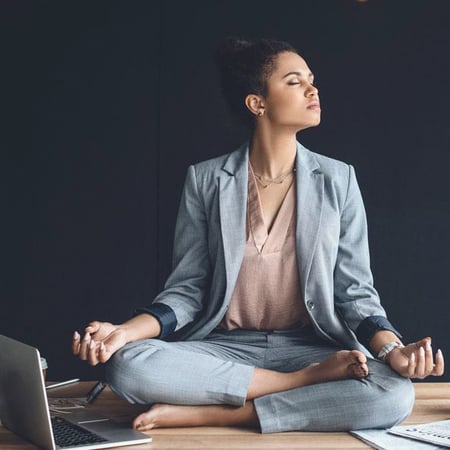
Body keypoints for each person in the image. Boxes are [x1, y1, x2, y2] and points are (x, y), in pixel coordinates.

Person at [72, 37, 445, 433]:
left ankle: (221, 412)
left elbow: (355, 293)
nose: (312, 89)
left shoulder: (340, 179)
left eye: (311, 80)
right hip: (226, 349)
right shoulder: (206, 180)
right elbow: (187, 290)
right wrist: (122, 333)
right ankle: (296, 386)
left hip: (311, 347)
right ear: (257, 103)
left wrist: (392, 349)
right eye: (294, 81)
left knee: (394, 392)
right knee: (127, 366)